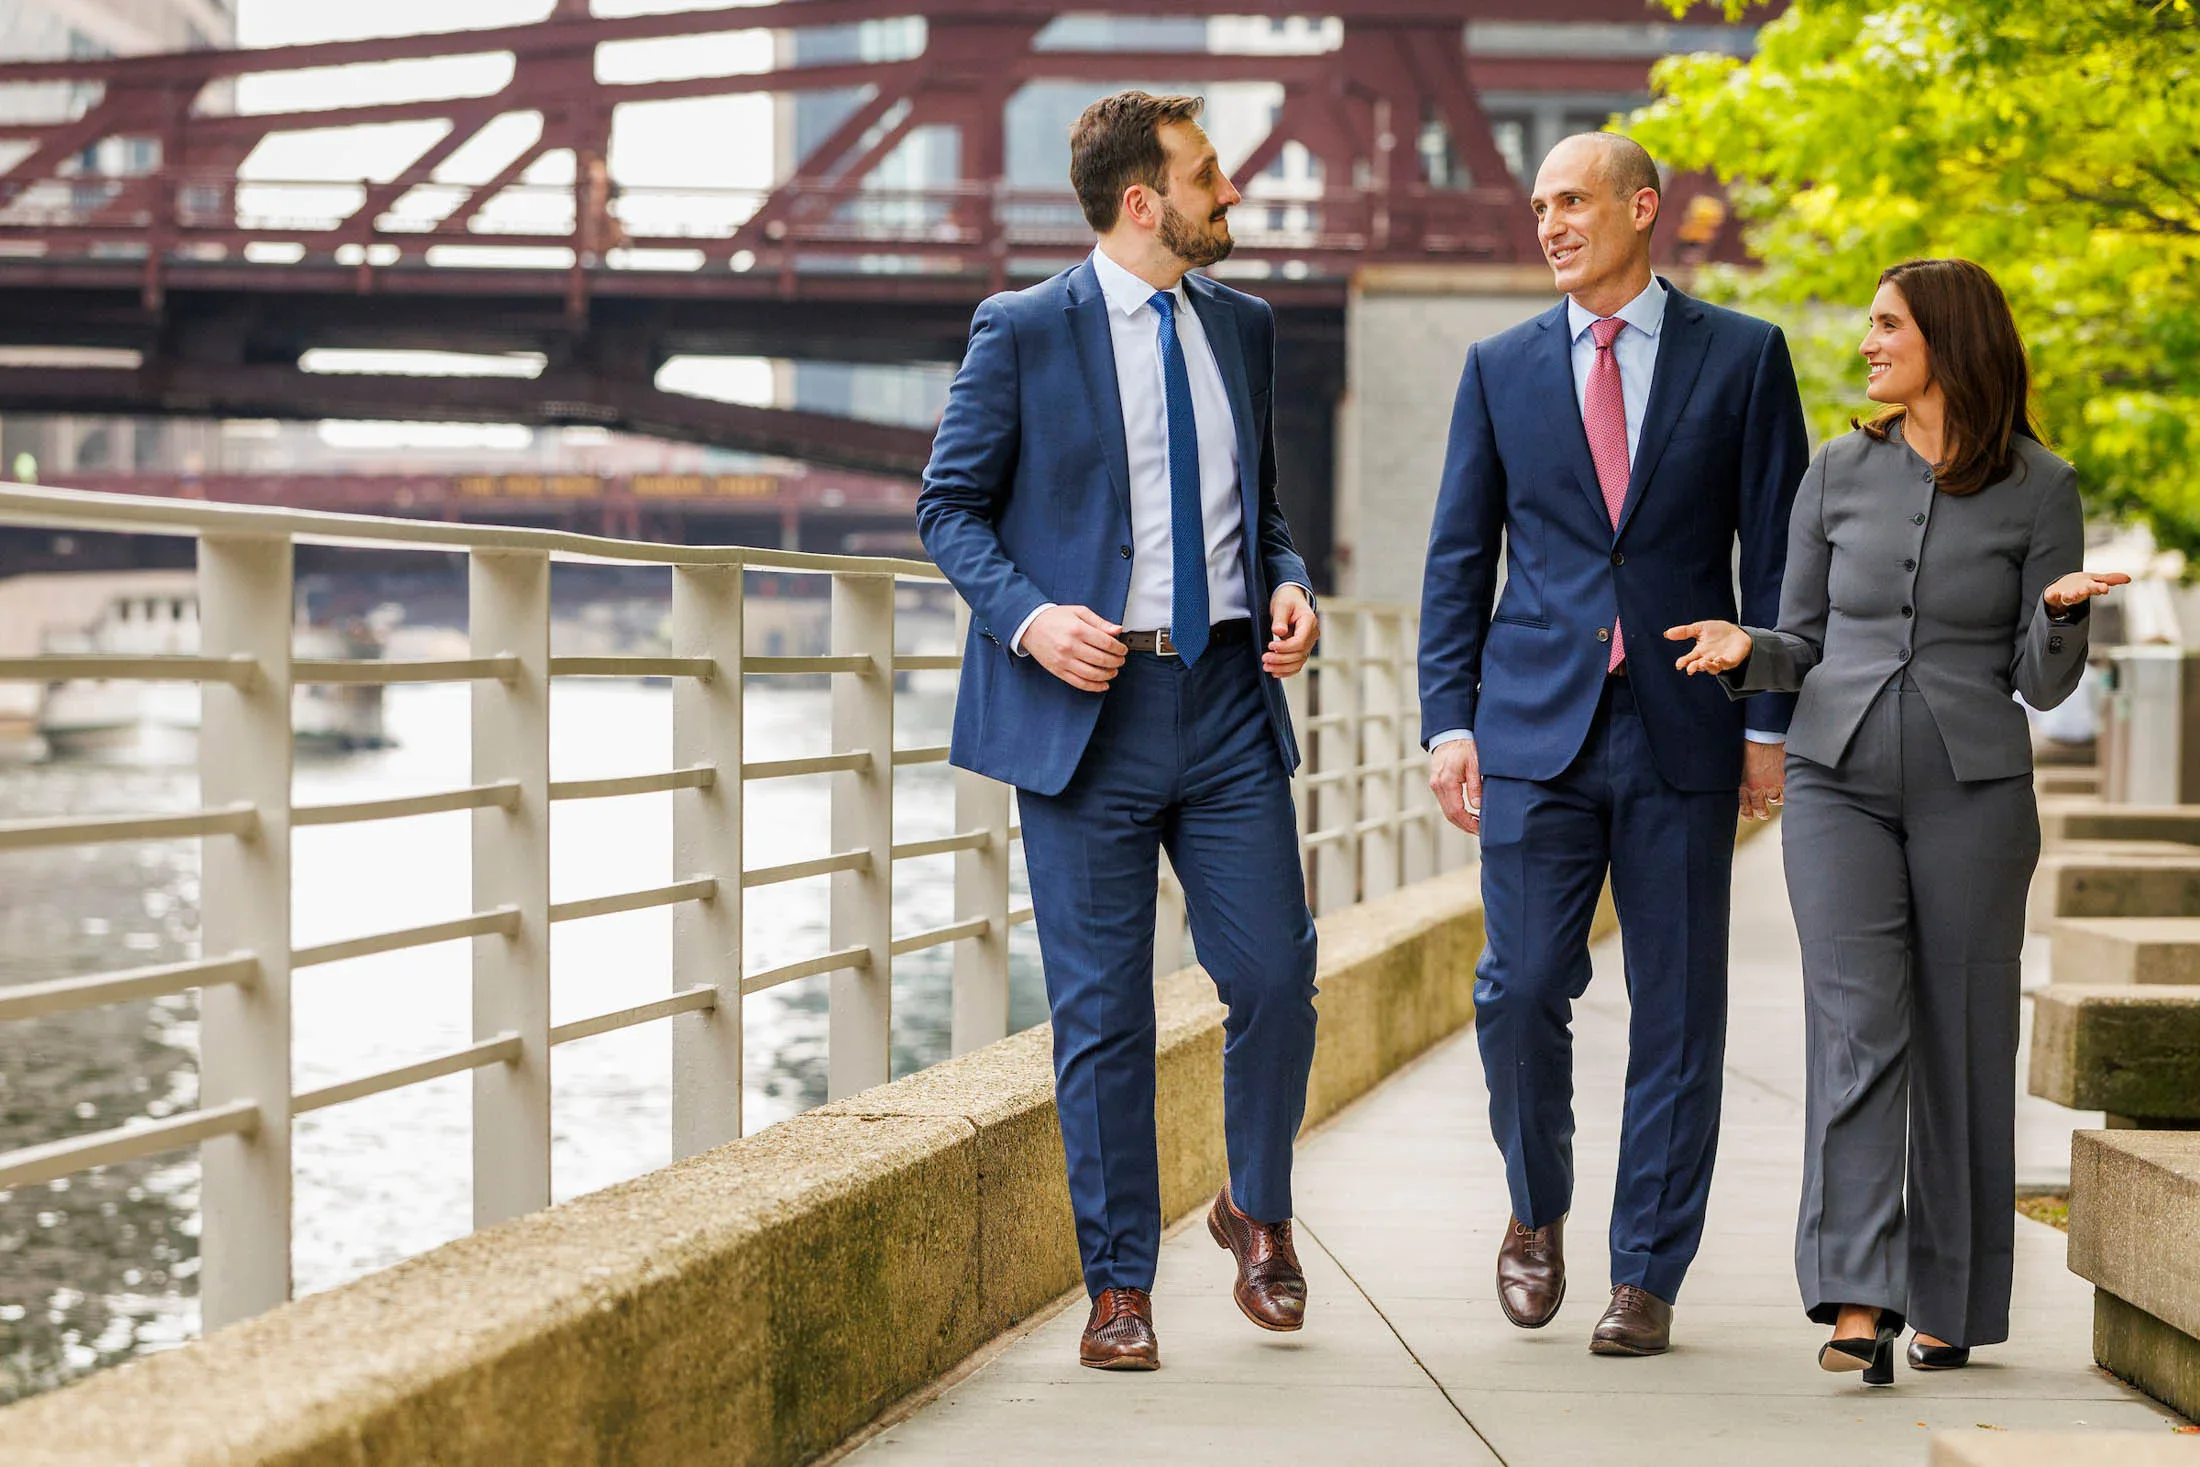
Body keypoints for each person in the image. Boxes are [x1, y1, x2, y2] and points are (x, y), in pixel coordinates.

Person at [916, 90, 1322, 1373]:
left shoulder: (1244, 330)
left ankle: (1255, 1203)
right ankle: (1119, 1290)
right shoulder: (1024, 329)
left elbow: (1260, 510)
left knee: (1272, 976)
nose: (1231, 195)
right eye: (1211, 176)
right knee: (1105, 1015)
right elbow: (949, 510)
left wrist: (1292, 579)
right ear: (1143, 201)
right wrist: (1031, 621)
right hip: (1086, 716)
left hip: (1224, 704)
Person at [1667, 258, 2127, 1385]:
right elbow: (1801, 634)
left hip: (1974, 792)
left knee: (1966, 1039)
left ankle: (1953, 1299)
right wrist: (1745, 652)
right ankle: (1856, 1297)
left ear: (1948, 340)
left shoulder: (2039, 485)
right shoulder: (1836, 469)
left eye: (1887, 325)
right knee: (1856, 1028)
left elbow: (2044, 681)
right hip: (1835, 781)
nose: (1868, 342)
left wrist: (2061, 619)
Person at [1418, 132, 1809, 1357]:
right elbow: (1456, 560)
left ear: (1644, 208)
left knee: (1678, 1014)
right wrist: (1449, 720)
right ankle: (1535, 1208)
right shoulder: (1498, 366)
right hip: (1535, 730)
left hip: (1684, 728)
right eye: (1540, 205)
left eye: (1574, 201)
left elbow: (1781, 559)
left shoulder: (1743, 357)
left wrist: (1769, 724)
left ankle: (1645, 1272)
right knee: (1520, 984)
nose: (1551, 223)